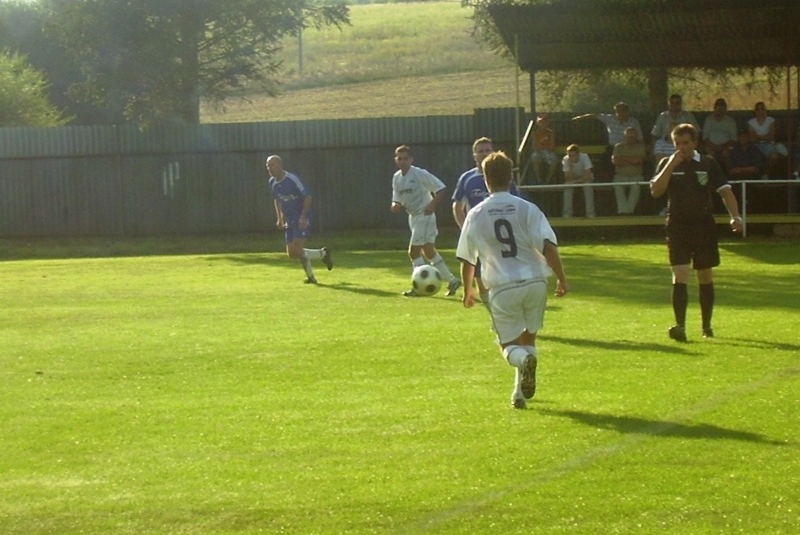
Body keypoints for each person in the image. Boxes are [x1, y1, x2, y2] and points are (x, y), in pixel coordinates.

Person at [456, 150, 569, 409]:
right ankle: (518, 394)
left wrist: (467, 290)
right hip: (535, 283)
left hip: (502, 287)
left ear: (485, 179)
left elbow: (467, 260)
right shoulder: (528, 208)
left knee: (507, 345)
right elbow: (549, 247)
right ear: (511, 178)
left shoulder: (476, 214)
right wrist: (562, 279)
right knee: (528, 340)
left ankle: (522, 363)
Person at [649, 124, 742, 342]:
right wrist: (670, 165)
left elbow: (725, 191)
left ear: (695, 143)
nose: (682, 148)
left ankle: (706, 326)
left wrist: (735, 216)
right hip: (677, 226)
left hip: (703, 226)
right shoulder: (667, 164)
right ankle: (679, 325)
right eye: (677, 144)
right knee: (680, 273)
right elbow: (655, 191)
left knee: (704, 274)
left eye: (686, 143)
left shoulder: (708, 164)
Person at [452, 137, 521, 310]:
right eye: (480, 151)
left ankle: (504, 315)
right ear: (474, 155)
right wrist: (464, 229)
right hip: (479, 235)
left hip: (501, 235)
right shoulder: (467, 178)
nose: (484, 154)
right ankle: (493, 312)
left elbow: (515, 203)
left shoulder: (504, 176)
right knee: (479, 277)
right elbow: (457, 205)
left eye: (487, 150)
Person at [391, 145, 460, 297]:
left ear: (411, 159)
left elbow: (441, 188)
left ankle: (419, 288)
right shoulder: (397, 177)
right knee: (429, 251)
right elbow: (397, 198)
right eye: (399, 159)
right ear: (396, 160)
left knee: (413, 251)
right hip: (413, 217)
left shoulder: (419, 174)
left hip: (425, 216)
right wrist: (395, 205)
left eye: (405, 159)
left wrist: (431, 205)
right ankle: (452, 280)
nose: (402, 162)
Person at [266, 155, 332, 284]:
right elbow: (277, 199)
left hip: (301, 216)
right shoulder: (272, 182)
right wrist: (279, 218)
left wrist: (303, 217)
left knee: (297, 248)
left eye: (272, 165)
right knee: (292, 253)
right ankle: (323, 254)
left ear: (280, 165)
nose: (270, 169)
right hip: (289, 219)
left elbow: (308, 196)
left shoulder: (292, 179)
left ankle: (311, 277)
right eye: (268, 166)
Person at [572, 101, 643, 180]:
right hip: (613, 147)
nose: (619, 114)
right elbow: (594, 115)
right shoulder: (609, 118)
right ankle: (606, 182)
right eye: (617, 112)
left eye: (622, 111)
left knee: (635, 161)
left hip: (628, 147)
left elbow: (640, 138)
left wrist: (643, 150)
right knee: (603, 162)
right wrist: (579, 118)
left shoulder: (634, 122)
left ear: (627, 112)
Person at [651, 94, 700, 163]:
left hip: (683, 146)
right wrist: (654, 149)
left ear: (680, 104)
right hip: (664, 146)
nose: (674, 105)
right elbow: (655, 134)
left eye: (677, 103)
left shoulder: (688, 116)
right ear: (669, 104)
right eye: (672, 103)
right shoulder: (662, 116)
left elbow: (696, 132)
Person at [611, 127, 645, 215]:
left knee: (636, 187)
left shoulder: (640, 147)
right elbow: (616, 162)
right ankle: (625, 212)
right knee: (617, 185)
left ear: (636, 137)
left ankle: (627, 212)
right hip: (620, 177)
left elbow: (639, 160)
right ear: (624, 137)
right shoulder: (618, 146)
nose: (630, 138)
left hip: (636, 177)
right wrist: (632, 160)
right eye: (628, 136)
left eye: (632, 136)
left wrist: (623, 158)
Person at [747, 102, 785, 179]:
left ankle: (766, 174)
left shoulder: (771, 120)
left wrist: (758, 137)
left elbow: (772, 136)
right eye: (757, 109)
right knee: (754, 158)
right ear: (755, 111)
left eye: (762, 109)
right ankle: (755, 177)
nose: (760, 111)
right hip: (755, 145)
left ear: (765, 110)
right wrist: (765, 136)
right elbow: (752, 139)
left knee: (774, 156)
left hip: (768, 144)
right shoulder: (751, 122)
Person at [561, 144, 596, 218]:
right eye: (569, 155)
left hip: (585, 179)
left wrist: (575, 182)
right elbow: (567, 178)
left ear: (578, 154)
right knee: (567, 186)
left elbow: (587, 176)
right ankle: (567, 214)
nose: (570, 157)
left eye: (572, 155)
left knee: (587, 186)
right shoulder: (566, 159)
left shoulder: (585, 157)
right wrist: (570, 166)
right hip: (574, 179)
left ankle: (590, 214)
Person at [702, 98, 737, 168]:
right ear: (714, 108)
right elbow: (705, 138)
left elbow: (734, 139)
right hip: (711, 146)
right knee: (710, 155)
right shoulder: (709, 120)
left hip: (726, 147)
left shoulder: (730, 121)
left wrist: (722, 147)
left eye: (722, 107)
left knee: (726, 153)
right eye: (718, 107)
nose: (720, 110)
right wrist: (714, 147)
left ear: (725, 109)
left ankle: (729, 175)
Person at [529, 114, 558, 184]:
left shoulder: (550, 133)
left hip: (548, 152)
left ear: (547, 123)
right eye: (541, 122)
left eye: (545, 122)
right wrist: (543, 146)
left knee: (554, 159)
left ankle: (548, 179)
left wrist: (542, 146)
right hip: (538, 152)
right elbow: (534, 146)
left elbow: (552, 146)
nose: (543, 124)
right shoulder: (535, 133)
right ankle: (538, 178)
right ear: (538, 123)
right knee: (534, 157)